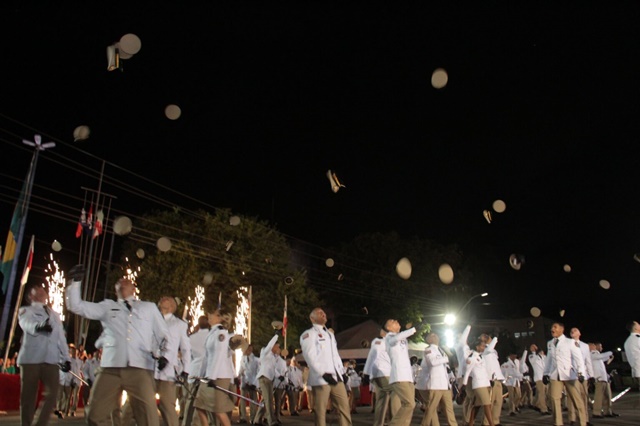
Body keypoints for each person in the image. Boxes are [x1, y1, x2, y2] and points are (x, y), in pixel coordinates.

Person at [65, 267, 170, 426]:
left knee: (148, 418)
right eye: (118, 281)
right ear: (115, 290)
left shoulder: (148, 307)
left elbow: (163, 335)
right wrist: (75, 283)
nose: (122, 281)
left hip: (140, 368)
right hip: (110, 367)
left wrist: (162, 355)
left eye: (126, 281)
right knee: (94, 414)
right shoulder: (108, 306)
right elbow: (77, 306)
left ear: (134, 289)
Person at [17, 284, 71, 426]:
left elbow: (61, 337)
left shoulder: (55, 314)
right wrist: (38, 327)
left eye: (43, 290)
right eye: (37, 290)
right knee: (28, 398)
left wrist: (66, 358)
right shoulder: (25, 310)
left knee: (53, 394)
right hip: (31, 359)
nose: (42, 291)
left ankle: (40, 423)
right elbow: (26, 323)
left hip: (50, 360)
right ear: (31, 296)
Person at [300, 307, 352, 426]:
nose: (323, 314)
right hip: (321, 378)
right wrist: (323, 373)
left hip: (336, 377)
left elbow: (335, 355)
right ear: (312, 318)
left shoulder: (329, 334)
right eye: (319, 313)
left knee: (344, 408)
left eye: (323, 312)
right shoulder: (308, 334)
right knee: (321, 411)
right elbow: (310, 357)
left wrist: (342, 372)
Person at [153, 296, 191, 426]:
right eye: (162, 299)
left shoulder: (179, 324)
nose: (163, 300)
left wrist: (186, 370)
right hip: (148, 368)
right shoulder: (152, 320)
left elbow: (186, 349)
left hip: (168, 372)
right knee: (137, 403)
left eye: (167, 300)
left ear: (172, 307)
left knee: (167, 407)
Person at [194, 310, 236, 426]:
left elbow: (219, 355)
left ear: (220, 318)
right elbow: (207, 358)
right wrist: (201, 375)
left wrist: (212, 377)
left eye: (213, 314)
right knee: (199, 405)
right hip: (209, 376)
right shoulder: (212, 333)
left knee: (218, 410)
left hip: (219, 376)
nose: (210, 316)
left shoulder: (220, 333)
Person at [543, 322, 587, 426]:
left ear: (562, 329)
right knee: (554, 398)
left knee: (576, 399)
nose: (552, 329)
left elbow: (578, 358)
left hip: (569, 374)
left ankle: (583, 422)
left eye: (555, 327)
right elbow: (549, 359)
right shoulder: (550, 343)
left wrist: (581, 372)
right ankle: (558, 423)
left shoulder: (570, 342)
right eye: (552, 327)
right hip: (555, 374)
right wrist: (545, 373)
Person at [417, 332, 458, 426]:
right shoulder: (428, 350)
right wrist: (445, 359)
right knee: (431, 409)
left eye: (435, 334)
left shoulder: (441, 350)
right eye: (432, 335)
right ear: (429, 339)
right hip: (436, 384)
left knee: (449, 409)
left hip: (444, 384)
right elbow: (432, 362)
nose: (435, 336)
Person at [363, 327, 398, 426]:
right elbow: (372, 355)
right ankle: (394, 422)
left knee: (382, 400)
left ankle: (379, 423)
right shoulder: (378, 341)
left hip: (386, 374)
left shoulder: (390, 342)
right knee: (396, 393)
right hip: (381, 373)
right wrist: (366, 373)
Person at [384, 319, 416, 426]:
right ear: (388, 328)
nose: (396, 321)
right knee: (409, 404)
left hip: (408, 376)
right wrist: (413, 330)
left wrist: (409, 329)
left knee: (409, 406)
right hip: (399, 376)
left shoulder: (402, 338)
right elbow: (397, 338)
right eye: (392, 321)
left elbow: (402, 337)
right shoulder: (389, 337)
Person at [182, 315, 211, 426]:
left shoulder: (192, 337)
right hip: (206, 371)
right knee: (203, 401)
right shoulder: (211, 336)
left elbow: (187, 354)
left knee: (190, 399)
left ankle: (186, 422)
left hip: (193, 370)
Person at [461, 338, 495, 426]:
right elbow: (468, 371)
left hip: (485, 383)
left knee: (477, 405)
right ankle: (492, 424)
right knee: (487, 404)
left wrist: (495, 338)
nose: (484, 347)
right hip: (479, 384)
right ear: (477, 346)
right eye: (482, 346)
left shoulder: (481, 356)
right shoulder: (472, 357)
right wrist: (464, 385)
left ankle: (470, 423)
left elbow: (489, 350)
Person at [252, 331, 281, 426]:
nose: (278, 348)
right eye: (277, 346)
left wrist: (279, 376)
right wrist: (276, 335)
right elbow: (270, 345)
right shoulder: (265, 352)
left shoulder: (273, 357)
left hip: (269, 379)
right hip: (264, 378)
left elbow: (272, 369)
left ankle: (257, 420)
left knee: (265, 400)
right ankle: (271, 421)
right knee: (268, 400)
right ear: (273, 346)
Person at [568, 327, 593, 426]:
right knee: (572, 397)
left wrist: (591, 375)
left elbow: (588, 361)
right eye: (571, 330)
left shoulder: (585, 346)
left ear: (579, 333)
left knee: (584, 397)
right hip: (572, 375)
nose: (573, 331)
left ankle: (585, 419)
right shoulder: (567, 344)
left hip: (583, 375)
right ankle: (572, 418)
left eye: (575, 330)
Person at [478, 333, 504, 426]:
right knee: (490, 403)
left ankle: (496, 421)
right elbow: (489, 348)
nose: (490, 338)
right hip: (490, 380)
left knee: (498, 402)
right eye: (487, 337)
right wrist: (496, 337)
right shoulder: (484, 350)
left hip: (497, 379)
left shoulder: (493, 350)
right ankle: (486, 423)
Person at [590, 342, 618, 418]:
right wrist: (611, 352)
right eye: (600, 346)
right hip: (599, 378)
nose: (600, 347)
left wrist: (609, 357)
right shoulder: (592, 354)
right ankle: (596, 412)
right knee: (599, 396)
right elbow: (600, 356)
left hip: (604, 378)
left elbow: (602, 358)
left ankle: (608, 411)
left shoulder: (596, 355)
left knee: (607, 396)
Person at [238, 343, 259, 424]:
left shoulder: (256, 360)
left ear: (251, 350)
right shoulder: (243, 358)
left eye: (248, 349)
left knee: (253, 400)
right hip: (244, 382)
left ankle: (253, 417)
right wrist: (238, 376)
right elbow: (241, 369)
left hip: (252, 382)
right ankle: (243, 417)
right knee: (243, 399)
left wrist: (254, 383)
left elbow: (257, 372)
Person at [527, 344, 550, 415]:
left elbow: (548, 366)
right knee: (542, 394)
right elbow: (533, 360)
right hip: (539, 378)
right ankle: (543, 409)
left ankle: (537, 405)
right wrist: (533, 352)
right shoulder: (532, 356)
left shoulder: (545, 357)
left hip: (545, 378)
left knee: (546, 393)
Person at [500, 352, 522, 417]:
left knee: (518, 395)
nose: (514, 356)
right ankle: (511, 410)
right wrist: (504, 380)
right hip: (509, 381)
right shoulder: (506, 364)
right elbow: (502, 372)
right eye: (513, 355)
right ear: (510, 355)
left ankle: (515, 406)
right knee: (511, 396)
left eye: (515, 355)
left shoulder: (517, 362)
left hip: (516, 380)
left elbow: (518, 371)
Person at [623, 321, 640, 385]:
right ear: (635, 328)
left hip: (636, 371)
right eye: (638, 324)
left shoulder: (627, 341)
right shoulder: (637, 339)